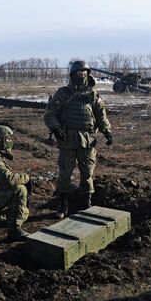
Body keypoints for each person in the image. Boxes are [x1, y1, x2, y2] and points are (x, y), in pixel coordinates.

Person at [44, 61, 113, 219]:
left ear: (88, 74)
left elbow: (101, 115)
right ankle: (63, 204)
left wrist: (107, 131)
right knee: (65, 172)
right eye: (79, 72)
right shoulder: (63, 93)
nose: (82, 75)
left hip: (87, 140)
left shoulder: (93, 94)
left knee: (87, 173)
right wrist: (55, 128)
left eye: (84, 72)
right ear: (73, 74)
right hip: (67, 139)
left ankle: (86, 203)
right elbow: (49, 113)